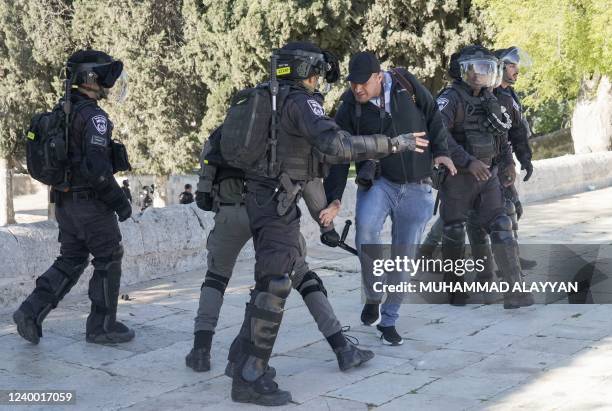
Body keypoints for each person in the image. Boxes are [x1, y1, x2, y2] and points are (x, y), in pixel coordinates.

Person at [227, 41, 429, 406]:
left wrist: (326, 215)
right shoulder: (301, 102)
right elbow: (337, 146)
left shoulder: (270, 98)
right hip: (276, 207)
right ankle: (250, 375)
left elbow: (300, 164)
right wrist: (392, 144)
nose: (320, 79)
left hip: (262, 201)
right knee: (275, 285)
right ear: (304, 71)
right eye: (317, 71)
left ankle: (241, 359)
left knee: (272, 278)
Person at [186, 126, 374, 377]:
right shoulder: (286, 131)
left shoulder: (231, 127)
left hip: (230, 210)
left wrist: (209, 193)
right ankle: (342, 348)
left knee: (216, 276)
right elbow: (309, 182)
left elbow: (207, 167)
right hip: (272, 215)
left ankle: (200, 351)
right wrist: (326, 228)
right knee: (303, 276)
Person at [323, 51, 456, 346]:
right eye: (352, 83)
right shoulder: (349, 106)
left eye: (362, 84)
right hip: (379, 182)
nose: (357, 89)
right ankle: (372, 295)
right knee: (366, 232)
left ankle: (390, 320)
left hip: (418, 186)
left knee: (404, 258)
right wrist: (333, 199)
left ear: (377, 77)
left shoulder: (405, 84)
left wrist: (443, 152)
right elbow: (339, 153)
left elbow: (433, 114)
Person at [13, 50, 134, 345]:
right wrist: (120, 202)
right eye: (104, 77)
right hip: (91, 204)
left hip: (65, 202)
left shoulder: (62, 112)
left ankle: (30, 311)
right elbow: (98, 169)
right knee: (109, 256)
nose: (109, 84)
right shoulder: (94, 117)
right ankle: (102, 326)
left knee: (72, 258)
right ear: (90, 78)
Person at [435, 45, 534, 308]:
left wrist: (506, 163)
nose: (482, 74)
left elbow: (502, 135)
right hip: (458, 177)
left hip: (488, 175)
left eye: (486, 68)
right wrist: (468, 161)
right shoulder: (450, 98)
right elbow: (438, 134)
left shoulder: (490, 97)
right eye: (477, 68)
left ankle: (515, 291)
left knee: (502, 223)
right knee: (454, 230)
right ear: (463, 71)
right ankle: (454, 290)